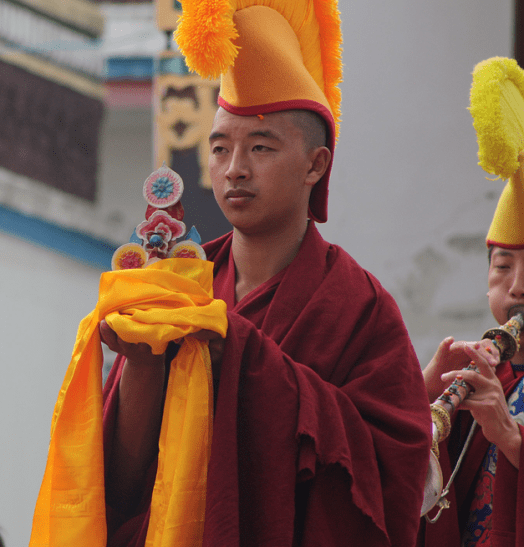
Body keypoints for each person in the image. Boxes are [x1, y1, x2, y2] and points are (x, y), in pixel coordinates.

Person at [30, 1, 432, 546]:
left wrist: (241, 353)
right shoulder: (180, 288)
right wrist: (143, 365)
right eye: (220, 149)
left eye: (261, 148)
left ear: (316, 165)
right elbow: (121, 484)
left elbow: (393, 474)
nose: (234, 169)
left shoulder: (359, 308)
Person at [418, 58, 524, 546]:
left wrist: (511, 437)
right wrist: (425, 396)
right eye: (502, 267)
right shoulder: (488, 378)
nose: (516, 287)